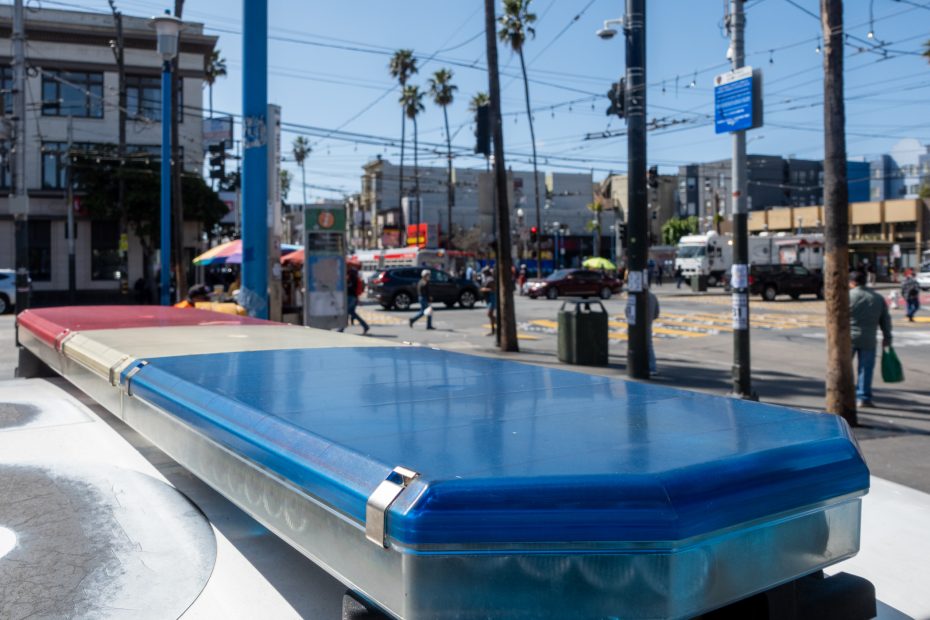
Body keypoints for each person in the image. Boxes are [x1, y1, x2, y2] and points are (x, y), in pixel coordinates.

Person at [849, 270, 892, 408]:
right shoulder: (877, 298)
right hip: (869, 338)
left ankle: (845, 394)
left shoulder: (848, 296)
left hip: (848, 338)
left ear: (852, 282)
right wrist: (887, 337)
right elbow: (885, 320)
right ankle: (863, 397)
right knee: (865, 369)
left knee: (844, 368)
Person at [341, 266, 369, 335]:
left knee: (348, 312)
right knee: (351, 313)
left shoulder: (352, 278)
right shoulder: (354, 277)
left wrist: (346, 282)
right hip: (353, 297)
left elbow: (350, 288)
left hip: (351, 298)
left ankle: (342, 328)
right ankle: (365, 326)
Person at [480, 267, 496, 337]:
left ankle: (498, 325)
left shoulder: (490, 280)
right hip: (489, 299)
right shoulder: (487, 279)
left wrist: (484, 289)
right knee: (490, 315)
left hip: (492, 298)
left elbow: (494, 289)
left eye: (484, 273)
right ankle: (493, 330)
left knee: (489, 314)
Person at [647, 290, 660, 375]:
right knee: (648, 346)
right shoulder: (653, 296)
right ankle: (652, 367)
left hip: (637, 325)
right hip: (648, 324)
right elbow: (656, 313)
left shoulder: (634, 296)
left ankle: (651, 367)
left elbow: (628, 312)